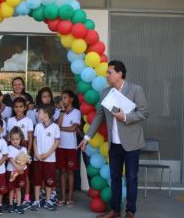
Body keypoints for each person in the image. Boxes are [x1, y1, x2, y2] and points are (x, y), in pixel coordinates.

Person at [78, 60, 149, 218]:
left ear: (120, 74)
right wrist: (87, 137)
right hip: (114, 145)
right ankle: (115, 211)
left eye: (109, 72)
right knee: (115, 178)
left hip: (131, 143)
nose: (107, 75)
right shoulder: (105, 93)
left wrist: (125, 117)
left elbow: (144, 112)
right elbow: (99, 116)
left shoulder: (136, 89)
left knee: (131, 178)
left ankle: (130, 211)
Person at [31, 104, 60, 212]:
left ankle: (48, 201)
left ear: (46, 114)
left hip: (50, 159)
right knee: (37, 180)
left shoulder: (55, 127)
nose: (38, 114)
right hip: (37, 158)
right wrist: (37, 154)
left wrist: (47, 154)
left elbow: (56, 142)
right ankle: (37, 201)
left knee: (49, 181)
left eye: (39, 112)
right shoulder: (38, 126)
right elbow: (35, 140)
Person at [6, 97, 34, 209]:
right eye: (16, 107)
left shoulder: (28, 121)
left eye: (21, 107)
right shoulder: (10, 120)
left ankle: (26, 197)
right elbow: (8, 137)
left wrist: (28, 152)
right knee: (13, 173)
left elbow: (30, 137)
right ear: (13, 108)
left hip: (24, 148)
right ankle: (13, 198)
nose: (18, 109)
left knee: (24, 173)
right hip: (12, 148)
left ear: (25, 107)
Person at [56, 89, 81, 207]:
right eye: (62, 98)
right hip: (60, 145)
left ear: (71, 99)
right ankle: (63, 196)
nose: (63, 100)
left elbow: (73, 129)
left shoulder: (76, 112)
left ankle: (71, 196)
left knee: (70, 172)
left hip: (71, 146)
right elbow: (58, 125)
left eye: (65, 98)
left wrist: (60, 128)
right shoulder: (59, 112)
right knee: (62, 171)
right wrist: (61, 111)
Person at [6, 126, 28, 214]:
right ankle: (11, 204)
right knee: (11, 189)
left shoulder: (24, 149)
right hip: (11, 171)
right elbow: (10, 159)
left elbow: (25, 160)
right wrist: (17, 167)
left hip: (21, 172)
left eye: (17, 139)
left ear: (21, 139)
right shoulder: (9, 148)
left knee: (18, 189)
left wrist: (21, 168)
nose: (15, 141)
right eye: (13, 139)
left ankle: (19, 205)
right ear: (10, 139)